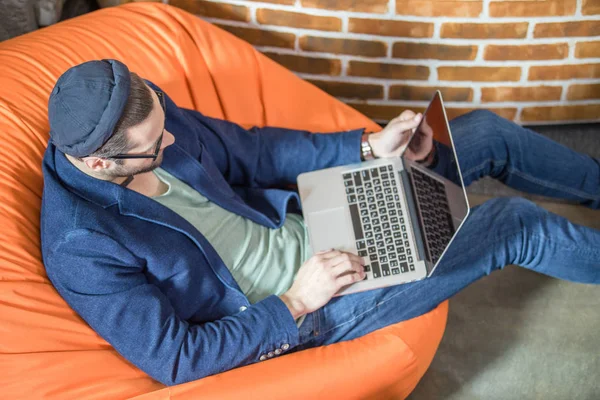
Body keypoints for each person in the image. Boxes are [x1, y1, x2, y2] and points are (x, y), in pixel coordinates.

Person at [40, 59, 600, 386]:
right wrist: (298, 302)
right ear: (97, 164)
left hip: (319, 215)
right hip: (314, 305)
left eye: (164, 125)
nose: (170, 140)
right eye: (155, 144)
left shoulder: (139, 117)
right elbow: (176, 358)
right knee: (515, 224)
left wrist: (367, 146)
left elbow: (254, 153)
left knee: (482, 133)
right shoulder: (80, 242)